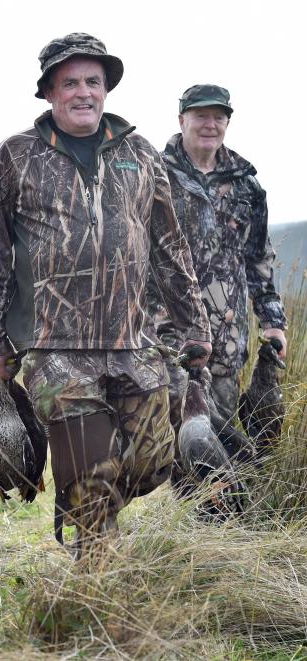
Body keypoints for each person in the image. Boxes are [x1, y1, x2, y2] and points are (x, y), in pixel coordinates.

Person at [0, 33, 211, 553]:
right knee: (89, 471)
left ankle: (90, 508)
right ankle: (94, 583)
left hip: (132, 342)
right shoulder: (16, 156)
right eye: (70, 82)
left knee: (154, 463)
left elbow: (171, 249)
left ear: (106, 90)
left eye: (93, 82)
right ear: (50, 92)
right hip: (52, 347)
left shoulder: (141, 155)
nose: (83, 92)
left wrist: (195, 327)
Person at [147, 84, 287, 493]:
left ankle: (215, 523)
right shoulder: (153, 174)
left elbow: (259, 259)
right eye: (200, 115)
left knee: (220, 429)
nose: (210, 124)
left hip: (227, 338)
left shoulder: (245, 183)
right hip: (167, 333)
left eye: (218, 116)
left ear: (227, 122)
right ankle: (188, 523)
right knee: (183, 430)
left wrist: (273, 321)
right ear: (181, 120)